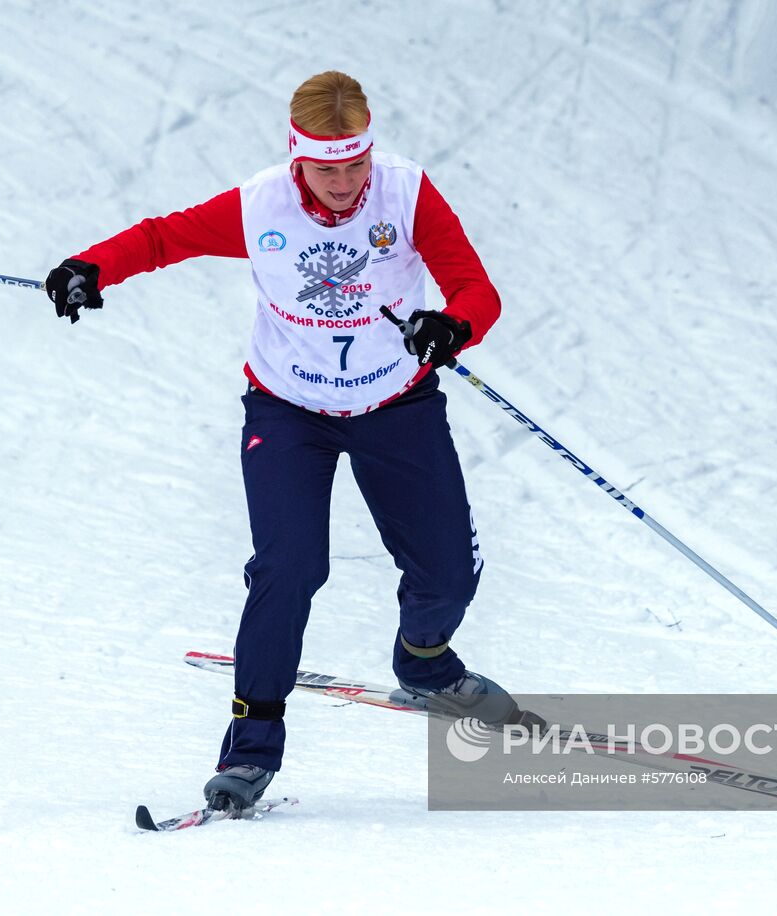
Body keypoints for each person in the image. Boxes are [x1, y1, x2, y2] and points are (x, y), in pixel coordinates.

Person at [46, 71, 527, 813]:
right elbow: (163, 238)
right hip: (287, 407)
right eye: (326, 169)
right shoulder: (260, 203)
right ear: (297, 158)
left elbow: (476, 290)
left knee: (447, 577)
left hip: (393, 403)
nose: (343, 184)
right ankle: (249, 751)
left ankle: (426, 662)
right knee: (289, 566)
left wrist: (451, 325)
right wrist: (91, 266)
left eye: (355, 166)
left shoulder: (406, 194)